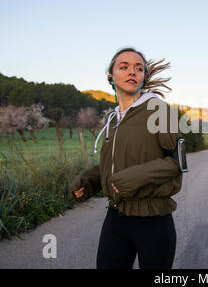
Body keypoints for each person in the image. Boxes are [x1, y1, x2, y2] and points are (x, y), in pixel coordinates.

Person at [69, 47, 184, 269]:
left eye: (138, 68)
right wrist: (89, 179)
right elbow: (113, 164)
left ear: (143, 77)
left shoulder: (158, 110)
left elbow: (177, 162)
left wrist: (134, 178)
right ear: (111, 77)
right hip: (116, 217)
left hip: (154, 220)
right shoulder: (113, 119)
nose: (132, 72)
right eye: (124, 67)